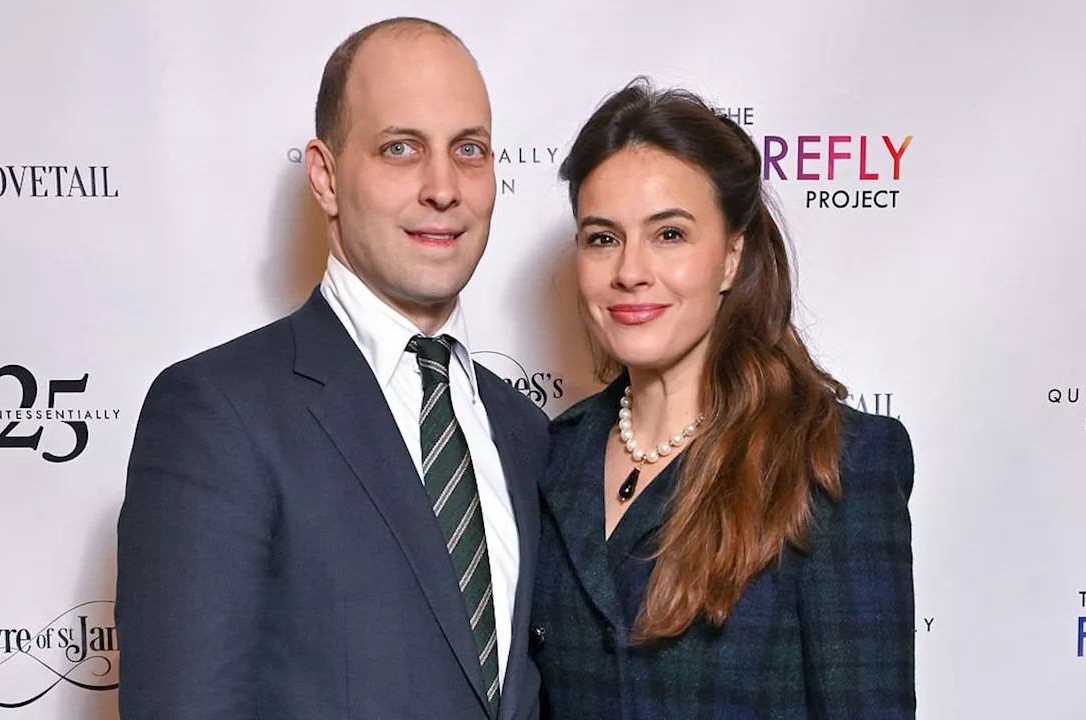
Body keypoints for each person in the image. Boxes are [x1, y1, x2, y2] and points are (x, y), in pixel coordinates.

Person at [115, 17, 548, 719]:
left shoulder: (527, 434)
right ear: (325, 176)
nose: (444, 187)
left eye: (468, 150)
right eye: (400, 148)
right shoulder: (216, 414)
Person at [530, 79, 916, 719]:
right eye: (602, 237)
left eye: (670, 235)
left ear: (732, 258)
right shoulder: (550, 457)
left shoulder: (834, 462)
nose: (630, 270)